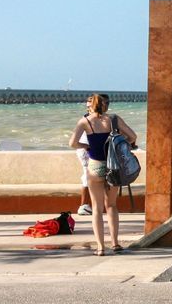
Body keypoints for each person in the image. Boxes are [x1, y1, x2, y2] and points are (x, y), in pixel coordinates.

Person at [68, 93, 137, 256]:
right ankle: (115, 243)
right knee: (112, 205)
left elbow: (72, 143)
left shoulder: (85, 122)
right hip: (114, 166)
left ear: (91, 105)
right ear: (106, 105)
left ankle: (100, 247)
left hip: (95, 166)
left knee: (97, 208)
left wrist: (86, 146)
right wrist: (121, 143)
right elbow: (133, 136)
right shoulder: (114, 120)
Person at [75, 95, 94, 216]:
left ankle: (86, 205)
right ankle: (84, 205)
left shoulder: (87, 118)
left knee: (88, 175)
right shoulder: (88, 118)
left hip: (86, 148)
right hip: (86, 148)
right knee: (88, 176)